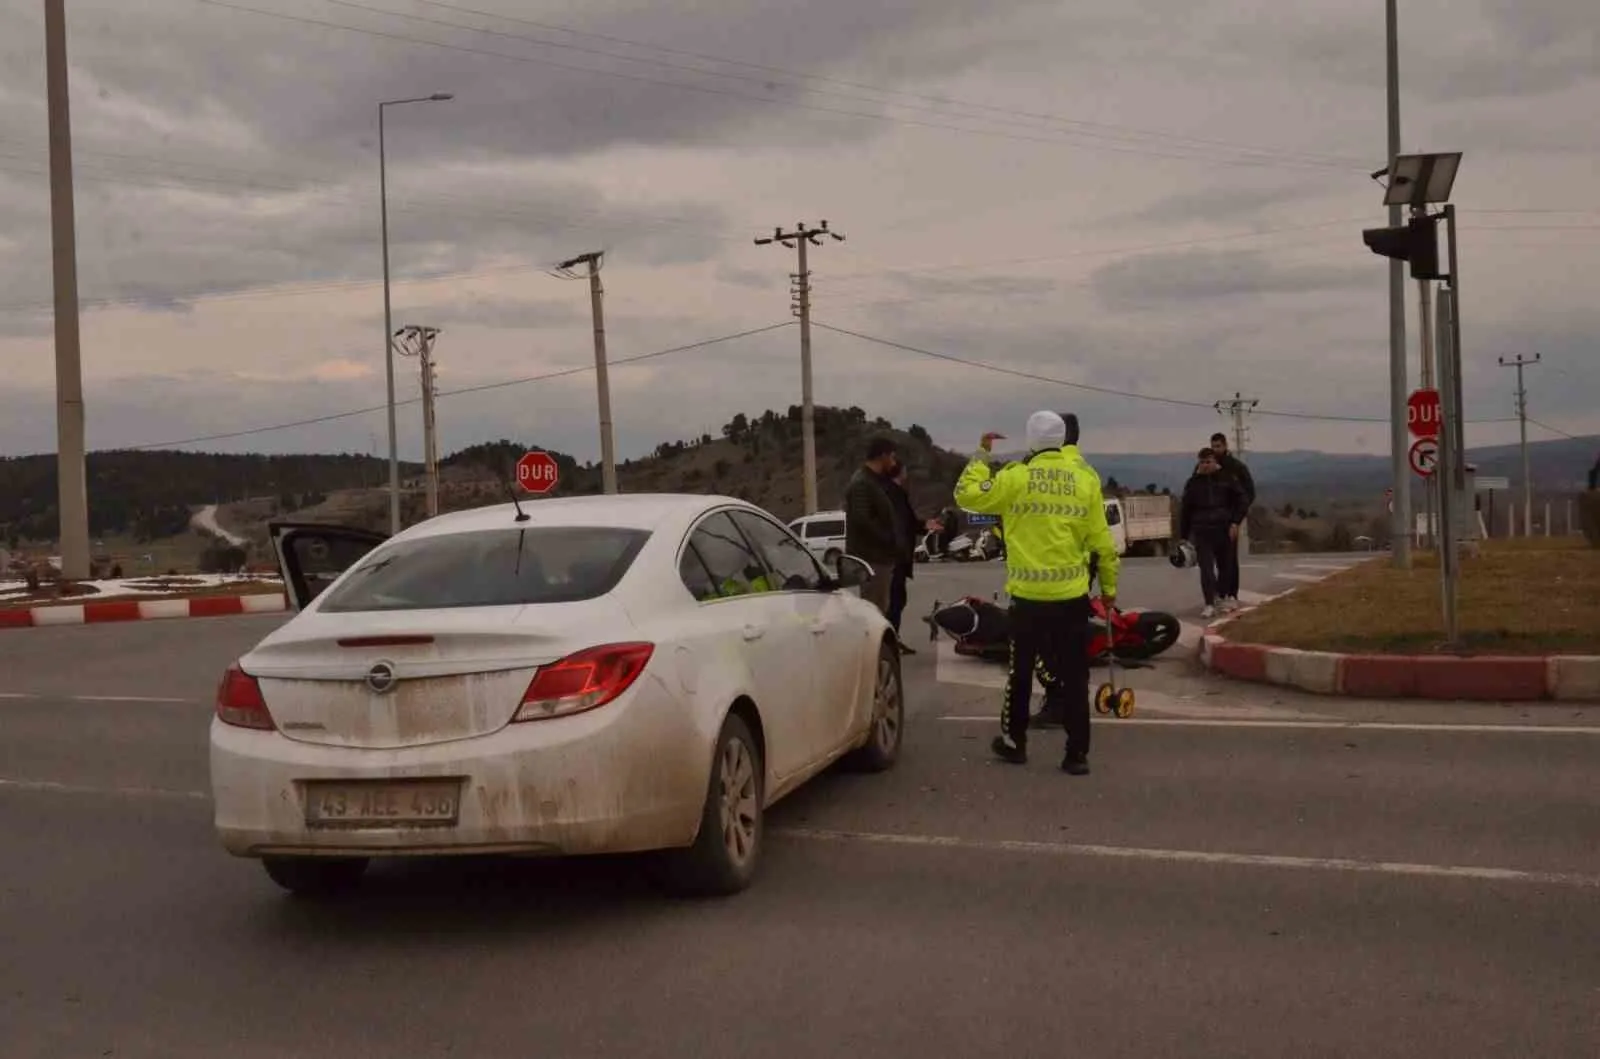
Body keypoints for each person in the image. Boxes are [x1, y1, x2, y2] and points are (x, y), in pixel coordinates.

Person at [955, 411, 1120, 775]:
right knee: (1076, 677)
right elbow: (1102, 545)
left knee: (1020, 672)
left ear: (1031, 441)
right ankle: (1076, 755)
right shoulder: (1084, 479)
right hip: (1071, 598)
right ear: (1063, 440)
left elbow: (966, 494)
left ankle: (1015, 743)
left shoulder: (1016, 477)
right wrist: (1108, 590)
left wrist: (982, 454)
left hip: (1028, 599)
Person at [1180, 448, 1249, 619]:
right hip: (1202, 531)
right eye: (1202, 462)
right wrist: (1184, 536)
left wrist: (1235, 522)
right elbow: (1186, 510)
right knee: (1206, 569)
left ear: (1215, 462)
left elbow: (1242, 500)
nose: (1205, 466)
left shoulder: (1228, 479)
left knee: (1226, 566)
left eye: (1208, 462)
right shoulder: (1193, 483)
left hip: (1224, 529)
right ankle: (1209, 603)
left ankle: (1225, 597)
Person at [844, 436, 906, 617]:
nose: (894, 462)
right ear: (883, 456)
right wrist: (889, 540)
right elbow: (862, 520)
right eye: (892, 457)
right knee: (873, 613)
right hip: (871, 560)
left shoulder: (873, 481)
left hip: (880, 559)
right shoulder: (862, 483)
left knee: (881, 608)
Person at [1209, 432, 1255, 608]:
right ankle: (1217, 593)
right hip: (1211, 520)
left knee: (1229, 558)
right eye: (1213, 446)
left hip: (1230, 520)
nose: (1216, 450)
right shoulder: (1208, 466)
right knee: (1212, 560)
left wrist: (1237, 516)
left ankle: (1231, 593)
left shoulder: (1237, 468)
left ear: (1225, 445)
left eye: (1218, 446)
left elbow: (1249, 493)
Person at [884, 462, 922, 653]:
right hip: (895, 556)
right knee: (895, 600)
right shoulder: (893, 494)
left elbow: (909, 523)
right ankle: (890, 641)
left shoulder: (891, 492)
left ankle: (893, 639)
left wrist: (924, 526)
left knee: (897, 599)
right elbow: (904, 523)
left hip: (896, 556)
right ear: (901, 472)